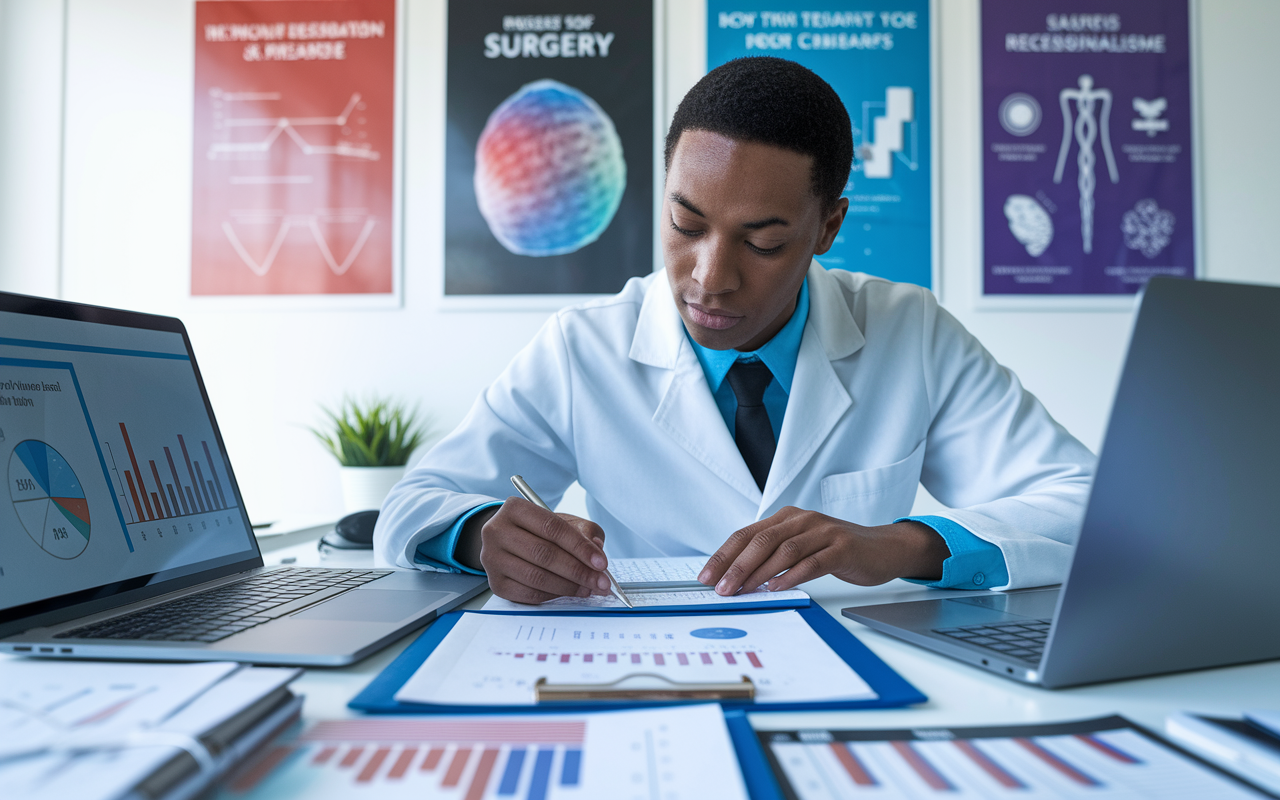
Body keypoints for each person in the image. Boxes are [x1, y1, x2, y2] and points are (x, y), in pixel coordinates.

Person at [374, 57, 1095, 604]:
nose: (709, 278)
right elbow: (410, 507)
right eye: (686, 225)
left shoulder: (910, 331)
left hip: (853, 675)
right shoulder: (581, 348)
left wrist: (901, 546)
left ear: (828, 227)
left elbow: (1087, 501)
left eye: (763, 241)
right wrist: (476, 536)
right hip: (648, 668)